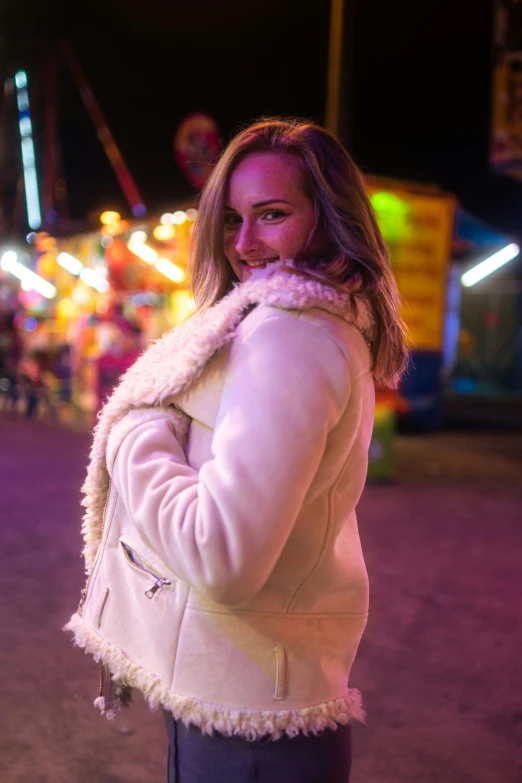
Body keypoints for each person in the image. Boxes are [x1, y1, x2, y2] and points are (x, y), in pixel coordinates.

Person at [65, 118, 408, 782]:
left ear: (329, 218)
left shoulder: (289, 335)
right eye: (230, 220)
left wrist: (136, 429)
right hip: (257, 686)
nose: (245, 243)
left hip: (250, 716)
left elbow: (220, 552)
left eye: (272, 214)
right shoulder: (316, 324)